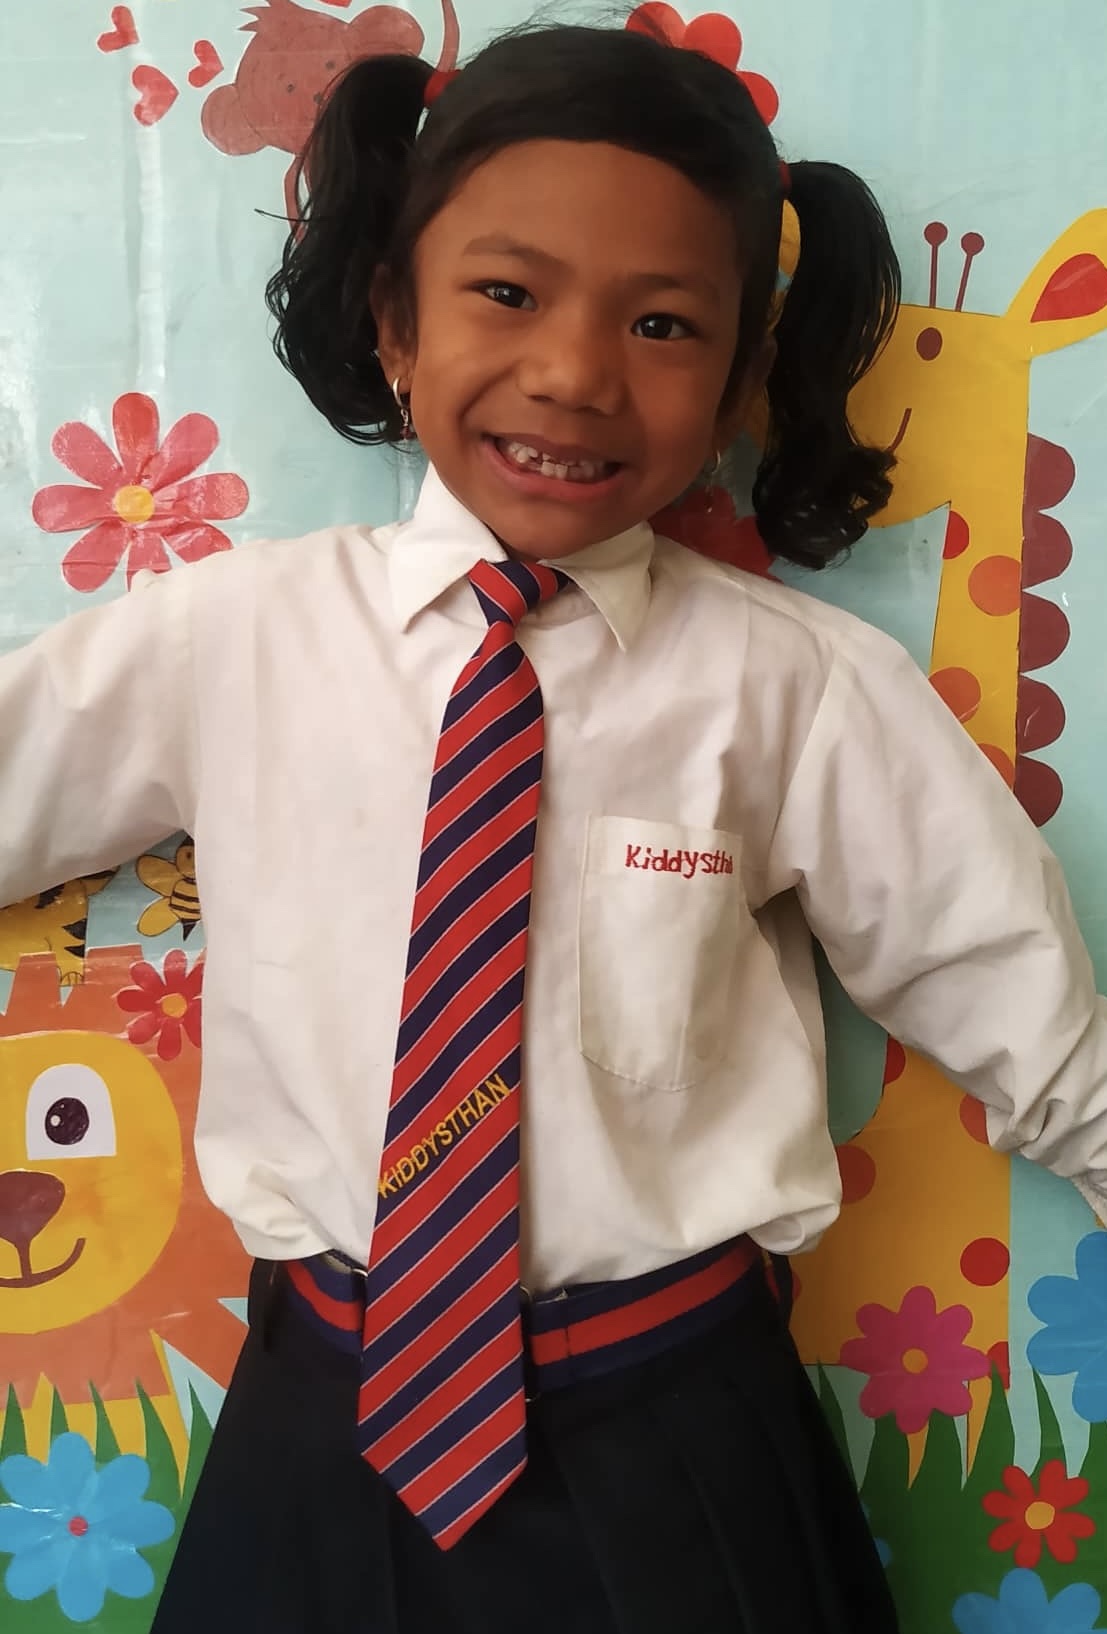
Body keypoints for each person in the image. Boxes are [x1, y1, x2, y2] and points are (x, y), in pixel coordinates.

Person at [2, 20, 1105, 1634]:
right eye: (507, 293)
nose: (577, 374)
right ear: (394, 320)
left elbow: (1027, 1009)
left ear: (739, 381)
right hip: (318, 1429)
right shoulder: (229, 641)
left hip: (681, 1432)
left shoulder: (799, 690)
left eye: (663, 323)